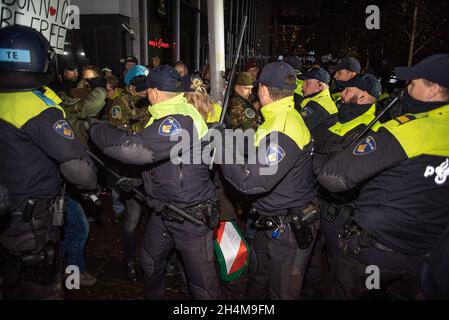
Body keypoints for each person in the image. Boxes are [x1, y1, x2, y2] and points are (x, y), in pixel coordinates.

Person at [315, 54, 449, 299]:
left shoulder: (407, 129)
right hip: (426, 256)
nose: (406, 89)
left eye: (412, 84)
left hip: (377, 250)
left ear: (433, 91)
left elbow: (334, 176)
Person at [88, 65, 224, 300]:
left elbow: (132, 151)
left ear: (156, 91)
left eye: (148, 89)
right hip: (164, 211)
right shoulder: (163, 116)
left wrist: (95, 127)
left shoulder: (180, 120)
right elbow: (161, 164)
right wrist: (136, 180)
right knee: (150, 262)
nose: (146, 95)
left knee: (203, 287)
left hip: (189, 217)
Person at [0, 25, 97, 299]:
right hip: (30, 221)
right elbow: (77, 168)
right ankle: (74, 279)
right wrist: (91, 184)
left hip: (6, 214)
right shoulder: (39, 108)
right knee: (42, 287)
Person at [220, 61, 318, 299]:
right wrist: (227, 136)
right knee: (259, 275)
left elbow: (251, 182)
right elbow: (256, 144)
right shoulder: (279, 117)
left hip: (288, 230)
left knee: (282, 292)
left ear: (263, 89)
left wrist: (220, 150)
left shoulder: (283, 127)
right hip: (272, 223)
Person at [298, 67, 338, 133]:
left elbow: (298, 129)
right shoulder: (321, 101)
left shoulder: (318, 105)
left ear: (320, 86)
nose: (302, 86)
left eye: (307, 83)